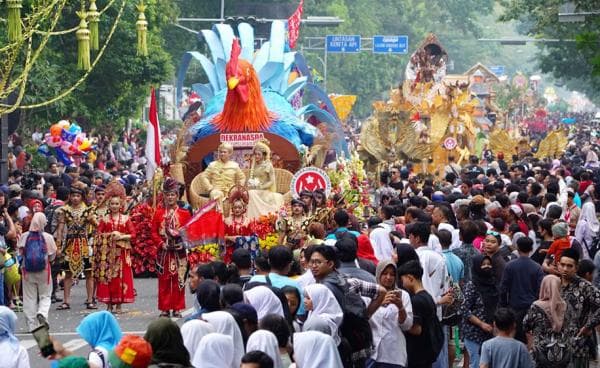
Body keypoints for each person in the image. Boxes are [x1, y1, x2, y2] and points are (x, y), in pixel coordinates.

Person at [151, 178, 191, 318]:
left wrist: (183, 243)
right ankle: (165, 308)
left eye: (173, 194)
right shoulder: (158, 213)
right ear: (164, 196)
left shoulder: (185, 214)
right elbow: (154, 232)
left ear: (177, 195)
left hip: (179, 252)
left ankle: (178, 308)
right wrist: (161, 244)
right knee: (164, 280)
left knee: (179, 280)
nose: (170, 197)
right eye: (167, 194)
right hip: (164, 252)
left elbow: (188, 232)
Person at [95, 182, 135, 314]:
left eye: (117, 204)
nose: (114, 206)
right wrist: (109, 236)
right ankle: (109, 304)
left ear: (121, 205)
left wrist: (121, 236)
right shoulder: (104, 219)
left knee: (121, 278)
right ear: (108, 204)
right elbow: (98, 235)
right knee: (108, 278)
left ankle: (119, 305)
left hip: (122, 253)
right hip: (107, 254)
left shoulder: (126, 219)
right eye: (112, 204)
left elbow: (133, 234)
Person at [55, 186, 97, 310]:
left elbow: (98, 226)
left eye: (78, 196)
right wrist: (58, 246)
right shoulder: (65, 210)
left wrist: (92, 221)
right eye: (73, 195)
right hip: (70, 244)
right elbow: (60, 229)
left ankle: (90, 300)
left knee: (89, 273)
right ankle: (66, 301)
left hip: (84, 244)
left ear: (82, 197)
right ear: (69, 197)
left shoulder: (88, 210)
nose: (75, 198)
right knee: (67, 274)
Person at [557, 248, 600, 367]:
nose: (565, 269)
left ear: (576, 267)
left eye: (569, 266)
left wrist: (588, 326)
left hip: (577, 346)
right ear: (558, 265)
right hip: (555, 345)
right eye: (563, 265)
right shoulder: (554, 284)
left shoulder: (585, 287)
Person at [523, 275, 576, 368]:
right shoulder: (566, 306)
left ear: (544, 286)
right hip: (563, 353)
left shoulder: (536, 306)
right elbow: (573, 326)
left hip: (541, 353)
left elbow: (525, 325)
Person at [398, 260, 443, 368]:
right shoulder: (428, 297)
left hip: (418, 353)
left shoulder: (415, 301)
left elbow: (417, 330)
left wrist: (401, 322)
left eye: (402, 279)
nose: (402, 283)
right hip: (428, 351)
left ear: (410, 278)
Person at [368, 260, 413, 368]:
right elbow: (363, 318)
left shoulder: (403, 296)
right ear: (378, 274)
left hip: (392, 354)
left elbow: (407, 325)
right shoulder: (370, 293)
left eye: (392, 274)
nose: (388, 277)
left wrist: (400, 307)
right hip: (370, 353)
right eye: (384, 273)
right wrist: (378, 303)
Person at [499, 237, 544, 343]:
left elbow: (503, 288)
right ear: (531, 249)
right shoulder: (537, 267)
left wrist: (504, 306)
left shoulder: (510, 265)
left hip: (514, 308)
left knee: (515, 337)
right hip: (532, 308)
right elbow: (540, 289)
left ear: (517, 248)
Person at [17, 212, 56, 331]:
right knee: (45, 295)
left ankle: (31, 325)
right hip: (44, 270)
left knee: (29, 297)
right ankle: (43, 313)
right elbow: (52, 255)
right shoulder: (48, 237)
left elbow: (20, 253)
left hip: (27, 271)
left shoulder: (24, 236)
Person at [459, 255, 498, 368]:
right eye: (483, 264)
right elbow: (464, 309)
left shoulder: (493, 283)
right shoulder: (472, 285)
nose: (487, 266)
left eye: (488, 264)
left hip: (492, 331)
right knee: (476, 363)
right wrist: (481, 324)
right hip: (474, 332)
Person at [246, 139, 284, 219]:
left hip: (265, 190)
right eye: (255, 154)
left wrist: (262, 187)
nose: (256, 156)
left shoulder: (268, 165)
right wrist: (251, 183)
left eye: (258, 154)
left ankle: (261, 218)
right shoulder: (254, 164)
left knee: (251, 193)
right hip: (255, 189)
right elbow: (252, 179)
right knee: (250, 192)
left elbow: (272, 181)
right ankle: (254, 219)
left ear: (263, 155)